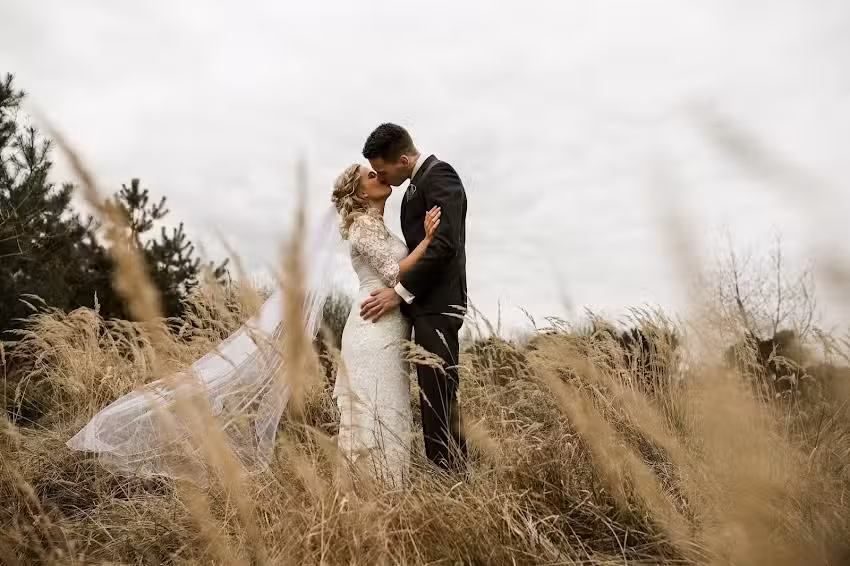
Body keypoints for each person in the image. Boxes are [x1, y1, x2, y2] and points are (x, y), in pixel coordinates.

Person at [359, 123, 469, 472]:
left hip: (438, 305)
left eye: (383, 169)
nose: (381, 176)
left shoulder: (441, 176)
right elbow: (420, 247)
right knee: (432, 399)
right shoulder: (414, 187)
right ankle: (446, 474)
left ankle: (449, 478)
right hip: (423, 308)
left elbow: (444, 246)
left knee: (438, 399)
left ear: (403, 159)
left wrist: (400, 294)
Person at [330, 163, 440, 485]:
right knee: (374, 412)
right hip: (372, 330)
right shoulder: (362, 225)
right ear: (362, 191)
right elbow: (393, 273)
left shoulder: (381, 226)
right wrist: (429, 239)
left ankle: (390, 497)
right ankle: (366, 495)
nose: (379, 175)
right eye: (370, 175)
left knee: (391, 411)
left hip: (390, 329)